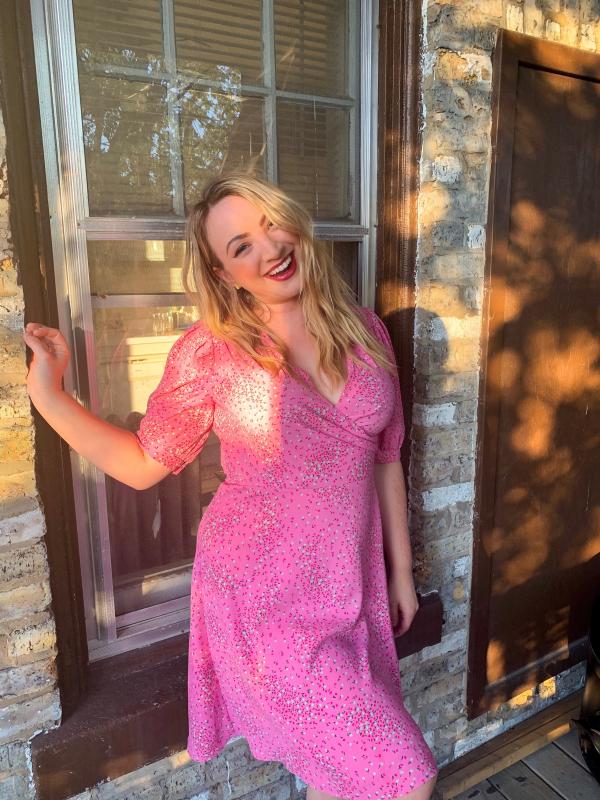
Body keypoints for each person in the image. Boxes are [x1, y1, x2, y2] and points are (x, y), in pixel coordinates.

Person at [23, 172, 439, 800]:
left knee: (338, 772)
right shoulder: (211, 352)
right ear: (223, 273)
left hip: (349, 586)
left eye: (272, 225)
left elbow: (384, 458)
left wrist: (400, 574)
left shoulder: (366, 332)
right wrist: (50, 396)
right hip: (262, 599)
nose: (269, 249)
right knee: (405, 775)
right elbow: (142, 463)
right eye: (241, 246)